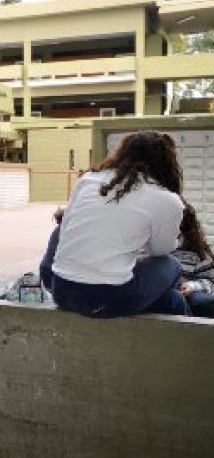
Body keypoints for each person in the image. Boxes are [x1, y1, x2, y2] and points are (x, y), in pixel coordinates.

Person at [39, 130, 188, 318]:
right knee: (171, 264)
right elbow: (160, 251)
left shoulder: (87, 180)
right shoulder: (167, 200)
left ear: (122, 154)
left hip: (62, 291)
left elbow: (67, 228)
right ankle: (162, 302)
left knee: (61, 230)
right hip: (108, 299)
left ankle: (163, 300)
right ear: (167, 164)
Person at [173, 203, 214, 318]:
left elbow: (211, 281)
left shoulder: (196, 253)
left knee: (202, 300)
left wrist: (192, 286)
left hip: (186, 300)